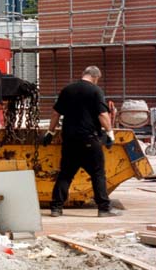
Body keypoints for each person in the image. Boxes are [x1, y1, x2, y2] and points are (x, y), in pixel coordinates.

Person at [42, 66, 115, 217]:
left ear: (84, 74)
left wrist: (50, 132)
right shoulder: (95, 91)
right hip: (89, 139)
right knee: (97, 173)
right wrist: (110, 133)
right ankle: (103, 209)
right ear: (95, 78)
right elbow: (103, 114)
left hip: (69, 139)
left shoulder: (67, 90)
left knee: (65, 174)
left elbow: (56, 113)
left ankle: (56, 208)